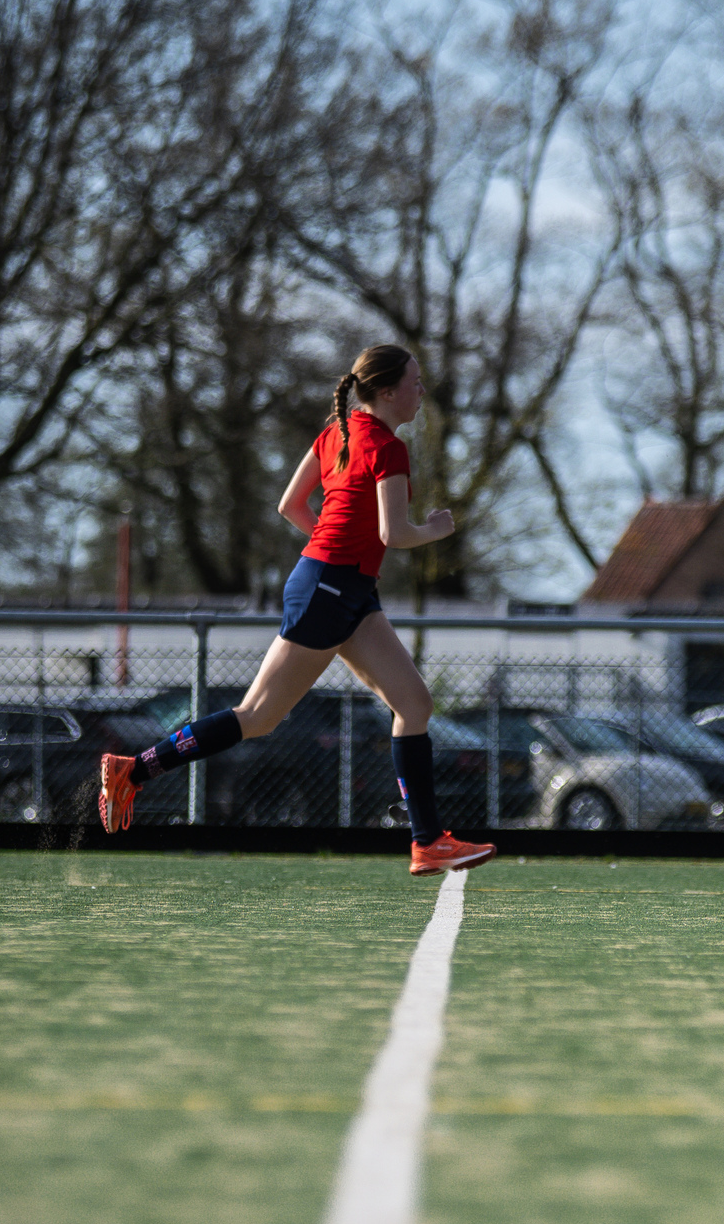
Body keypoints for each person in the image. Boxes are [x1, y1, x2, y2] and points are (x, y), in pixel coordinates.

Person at [97, 342, 496, 874]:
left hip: (345, 588)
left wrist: (335, 557)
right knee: (257, 718)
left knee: (415, 705)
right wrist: (435, 531)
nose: (422, 391)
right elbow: (394, 533)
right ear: (386, 390)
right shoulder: (386, 447)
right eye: (415, 382)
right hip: (329, 588)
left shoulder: (339, 432)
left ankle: (427, 842)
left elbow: (291, 507)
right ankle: (134, 770)